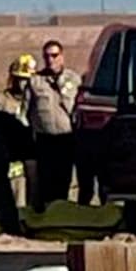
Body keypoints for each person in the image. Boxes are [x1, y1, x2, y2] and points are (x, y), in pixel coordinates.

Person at [0, 54, 37, 235]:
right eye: (20, 79)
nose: (23, 84)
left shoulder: (38, 99)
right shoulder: (1, 100)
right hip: (6, 149)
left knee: (33, 175)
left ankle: (32, 213)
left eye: (27, 80)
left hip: (31, 148)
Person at [28, 39, 82, 207]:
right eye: (47, 56)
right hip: (44, 139)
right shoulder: (35, 81)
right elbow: (27, 111)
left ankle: (61, 212)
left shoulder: (74, 80)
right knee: (44, 182)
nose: (50, 59)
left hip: (66, 139)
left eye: (54, 55)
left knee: (63, 180)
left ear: (62, 57)